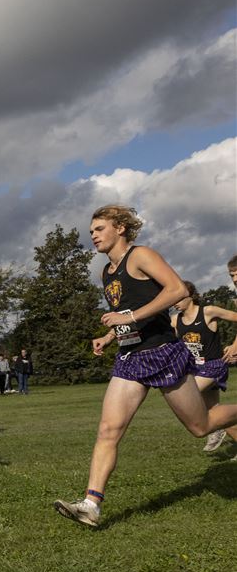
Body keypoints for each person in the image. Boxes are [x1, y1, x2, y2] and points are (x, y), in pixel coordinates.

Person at [54, 205, 237, 528]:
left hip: (163, 352)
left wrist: (131, 317)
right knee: (108, 430)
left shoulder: (140, 256)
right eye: (92, 230)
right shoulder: (106, 273)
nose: (93, 235)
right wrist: (110, 336)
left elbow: (178, 290)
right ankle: (91, 504)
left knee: (200, 426)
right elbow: (128, 311)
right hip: (129, 358)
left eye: (99, 228)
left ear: (120, 228)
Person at [171, 282, 237, 453]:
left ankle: (216, 429)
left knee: (190, 393)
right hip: (196, 369)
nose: (174, 302)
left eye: (178, 298)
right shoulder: (175, 320)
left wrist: (234, 345)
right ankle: (220, 428)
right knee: (215, 412)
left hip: (215, 365)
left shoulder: (208, 311)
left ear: (190, 296)